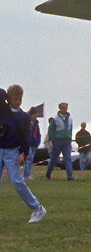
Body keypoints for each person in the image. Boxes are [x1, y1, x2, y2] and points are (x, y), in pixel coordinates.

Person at [2, 86, 46, 223]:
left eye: (20, 99)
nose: (18, 102)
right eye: (15, 99)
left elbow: (25, 137)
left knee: (16, 181)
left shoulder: (24, 117)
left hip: (12, 152)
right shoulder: (2, 110)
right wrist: (5, 95)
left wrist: (23, 153)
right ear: (8, 99)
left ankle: (37, 208)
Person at [46, 102, 74, 180]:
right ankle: (48, 174)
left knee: (68, 159)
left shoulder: (70, 119)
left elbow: (70, 129)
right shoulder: (55, 119)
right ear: (60, 108)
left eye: (66, 107)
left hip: (67, 141)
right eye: (63, 107)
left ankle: (70, 176)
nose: (64, 109)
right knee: (53, 159)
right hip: (57, 141)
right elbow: (50, 130)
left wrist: (70, 138)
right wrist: (53, 140)